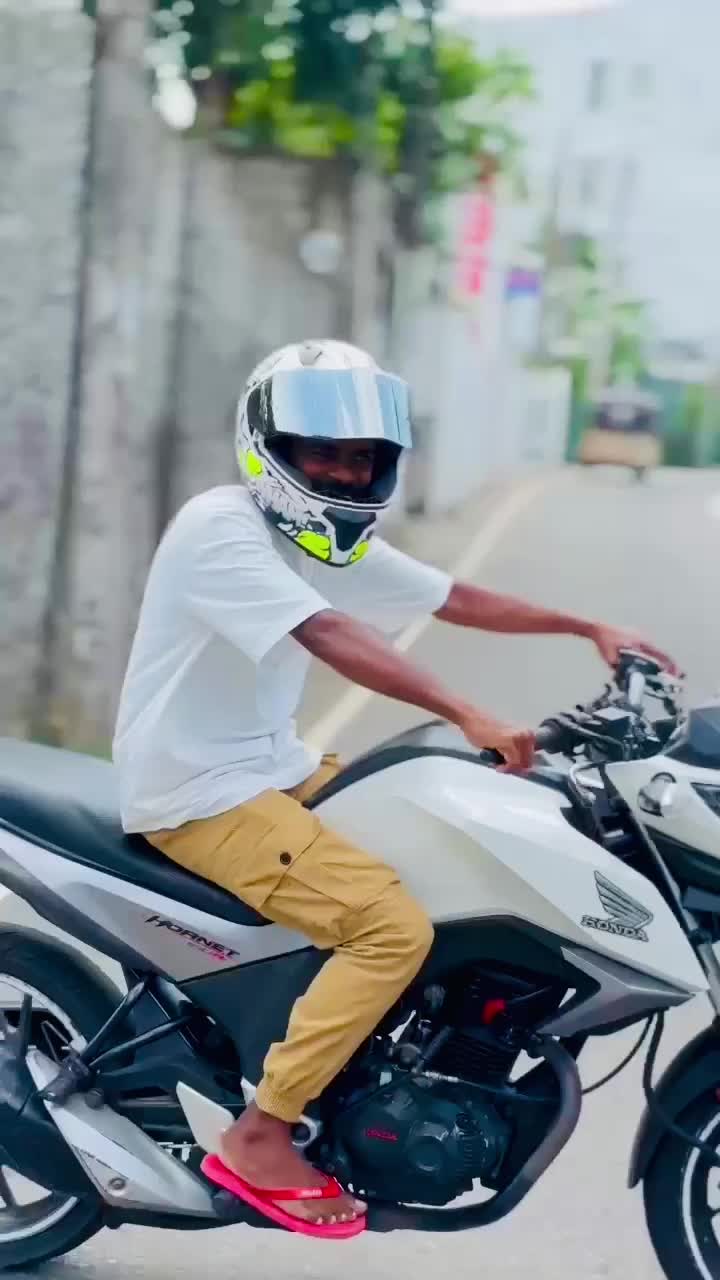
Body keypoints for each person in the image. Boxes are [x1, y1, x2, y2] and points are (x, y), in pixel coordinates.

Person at [113, 339, 675, 1235]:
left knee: (461, 846)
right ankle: (263, 1132)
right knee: (388, 928)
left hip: (276, 769)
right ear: (269, 447)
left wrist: (586, 626)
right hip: (199, 792)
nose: (344, 472)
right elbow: (331, 635)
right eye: (322, 452)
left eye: (362, 456)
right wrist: (468, 712)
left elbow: (448, 596)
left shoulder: (318, 537)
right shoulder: (222, 528)